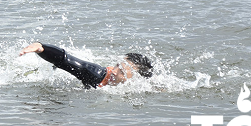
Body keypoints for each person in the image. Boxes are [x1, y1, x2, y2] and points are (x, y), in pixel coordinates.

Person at [19, 42, 153, 88]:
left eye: (122, 71)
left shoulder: (141, 87)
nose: (114, 71)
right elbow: (67, 61)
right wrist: (42, 48)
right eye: (117, 65)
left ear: (135, 79)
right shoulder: (97, 75)